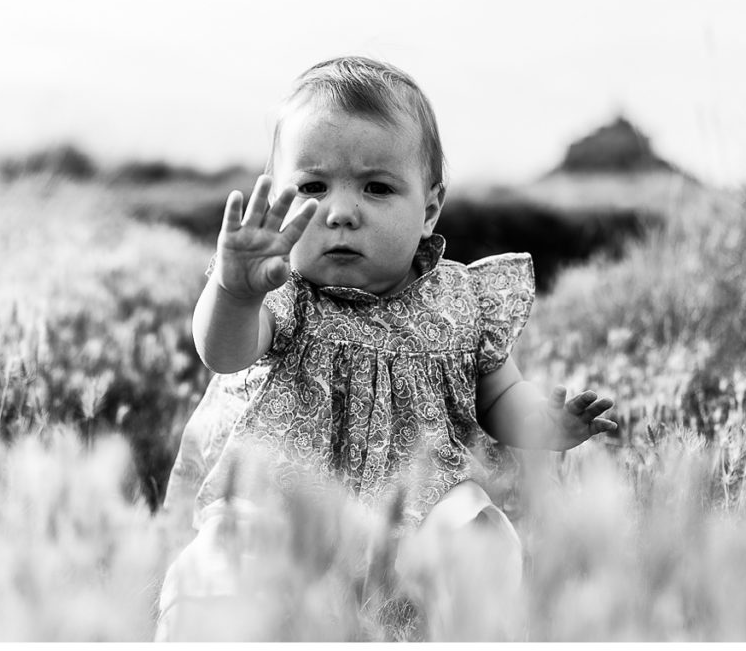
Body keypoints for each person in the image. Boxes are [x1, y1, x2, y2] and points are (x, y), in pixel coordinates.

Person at [156, 56, 617, 641]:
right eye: (313, 187)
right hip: (284, 500)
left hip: (419, 505)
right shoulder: (284, 292)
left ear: (429, 209)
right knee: (232, 578)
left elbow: (499, 393)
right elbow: (225, 354)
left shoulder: (459, 300)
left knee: (476, 540)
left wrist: (542, 424)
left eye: (377, 188)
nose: (341, 212)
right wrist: (233, 291)